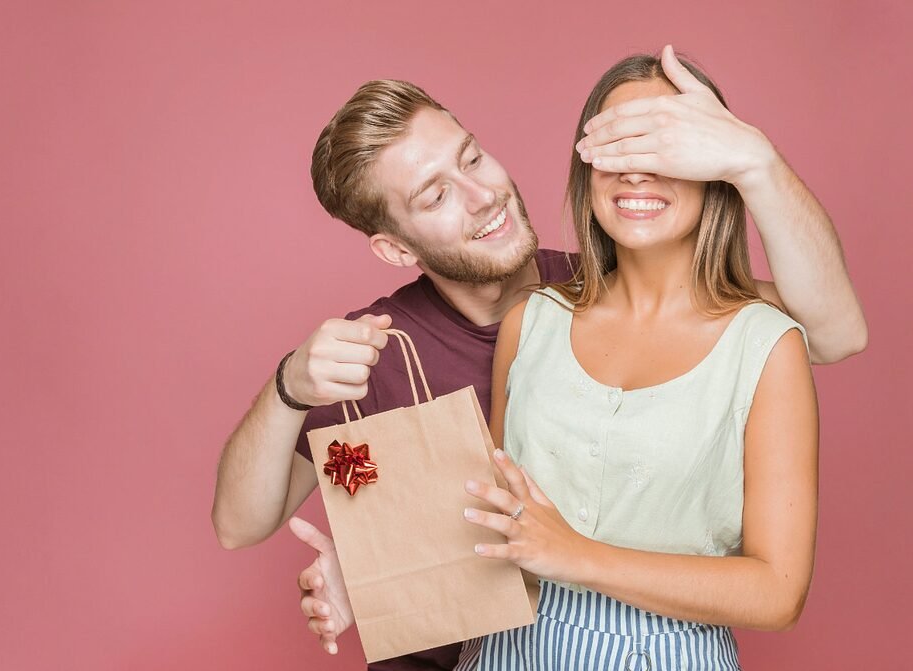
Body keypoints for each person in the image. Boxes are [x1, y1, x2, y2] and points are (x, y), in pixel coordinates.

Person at [212, 46, 865, 670]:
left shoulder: (604, 281)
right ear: (395, 249)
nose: (480, 194)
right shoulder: (373, 352)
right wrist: (290, 387)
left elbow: (827, 329)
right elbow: (240, 527)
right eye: (434, 196)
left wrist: (756, 161)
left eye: (472, 158)